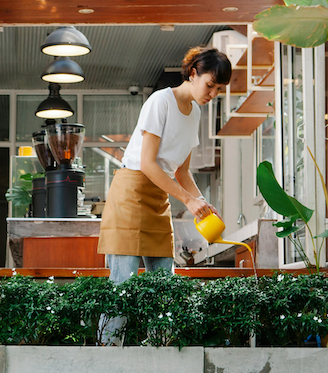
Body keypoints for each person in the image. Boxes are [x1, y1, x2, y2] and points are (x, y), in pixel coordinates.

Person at [96, 46, 232, 284]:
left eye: (219, 89)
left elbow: (182, 172)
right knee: (122, 290)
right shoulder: (161, 101)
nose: (213, 94)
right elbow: (148, 164)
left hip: (160, 197)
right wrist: (188, 200)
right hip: (131, 193)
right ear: (192, 74)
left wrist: (203, 204)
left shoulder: (196, 114)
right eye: (210, 85)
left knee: (163, 291)